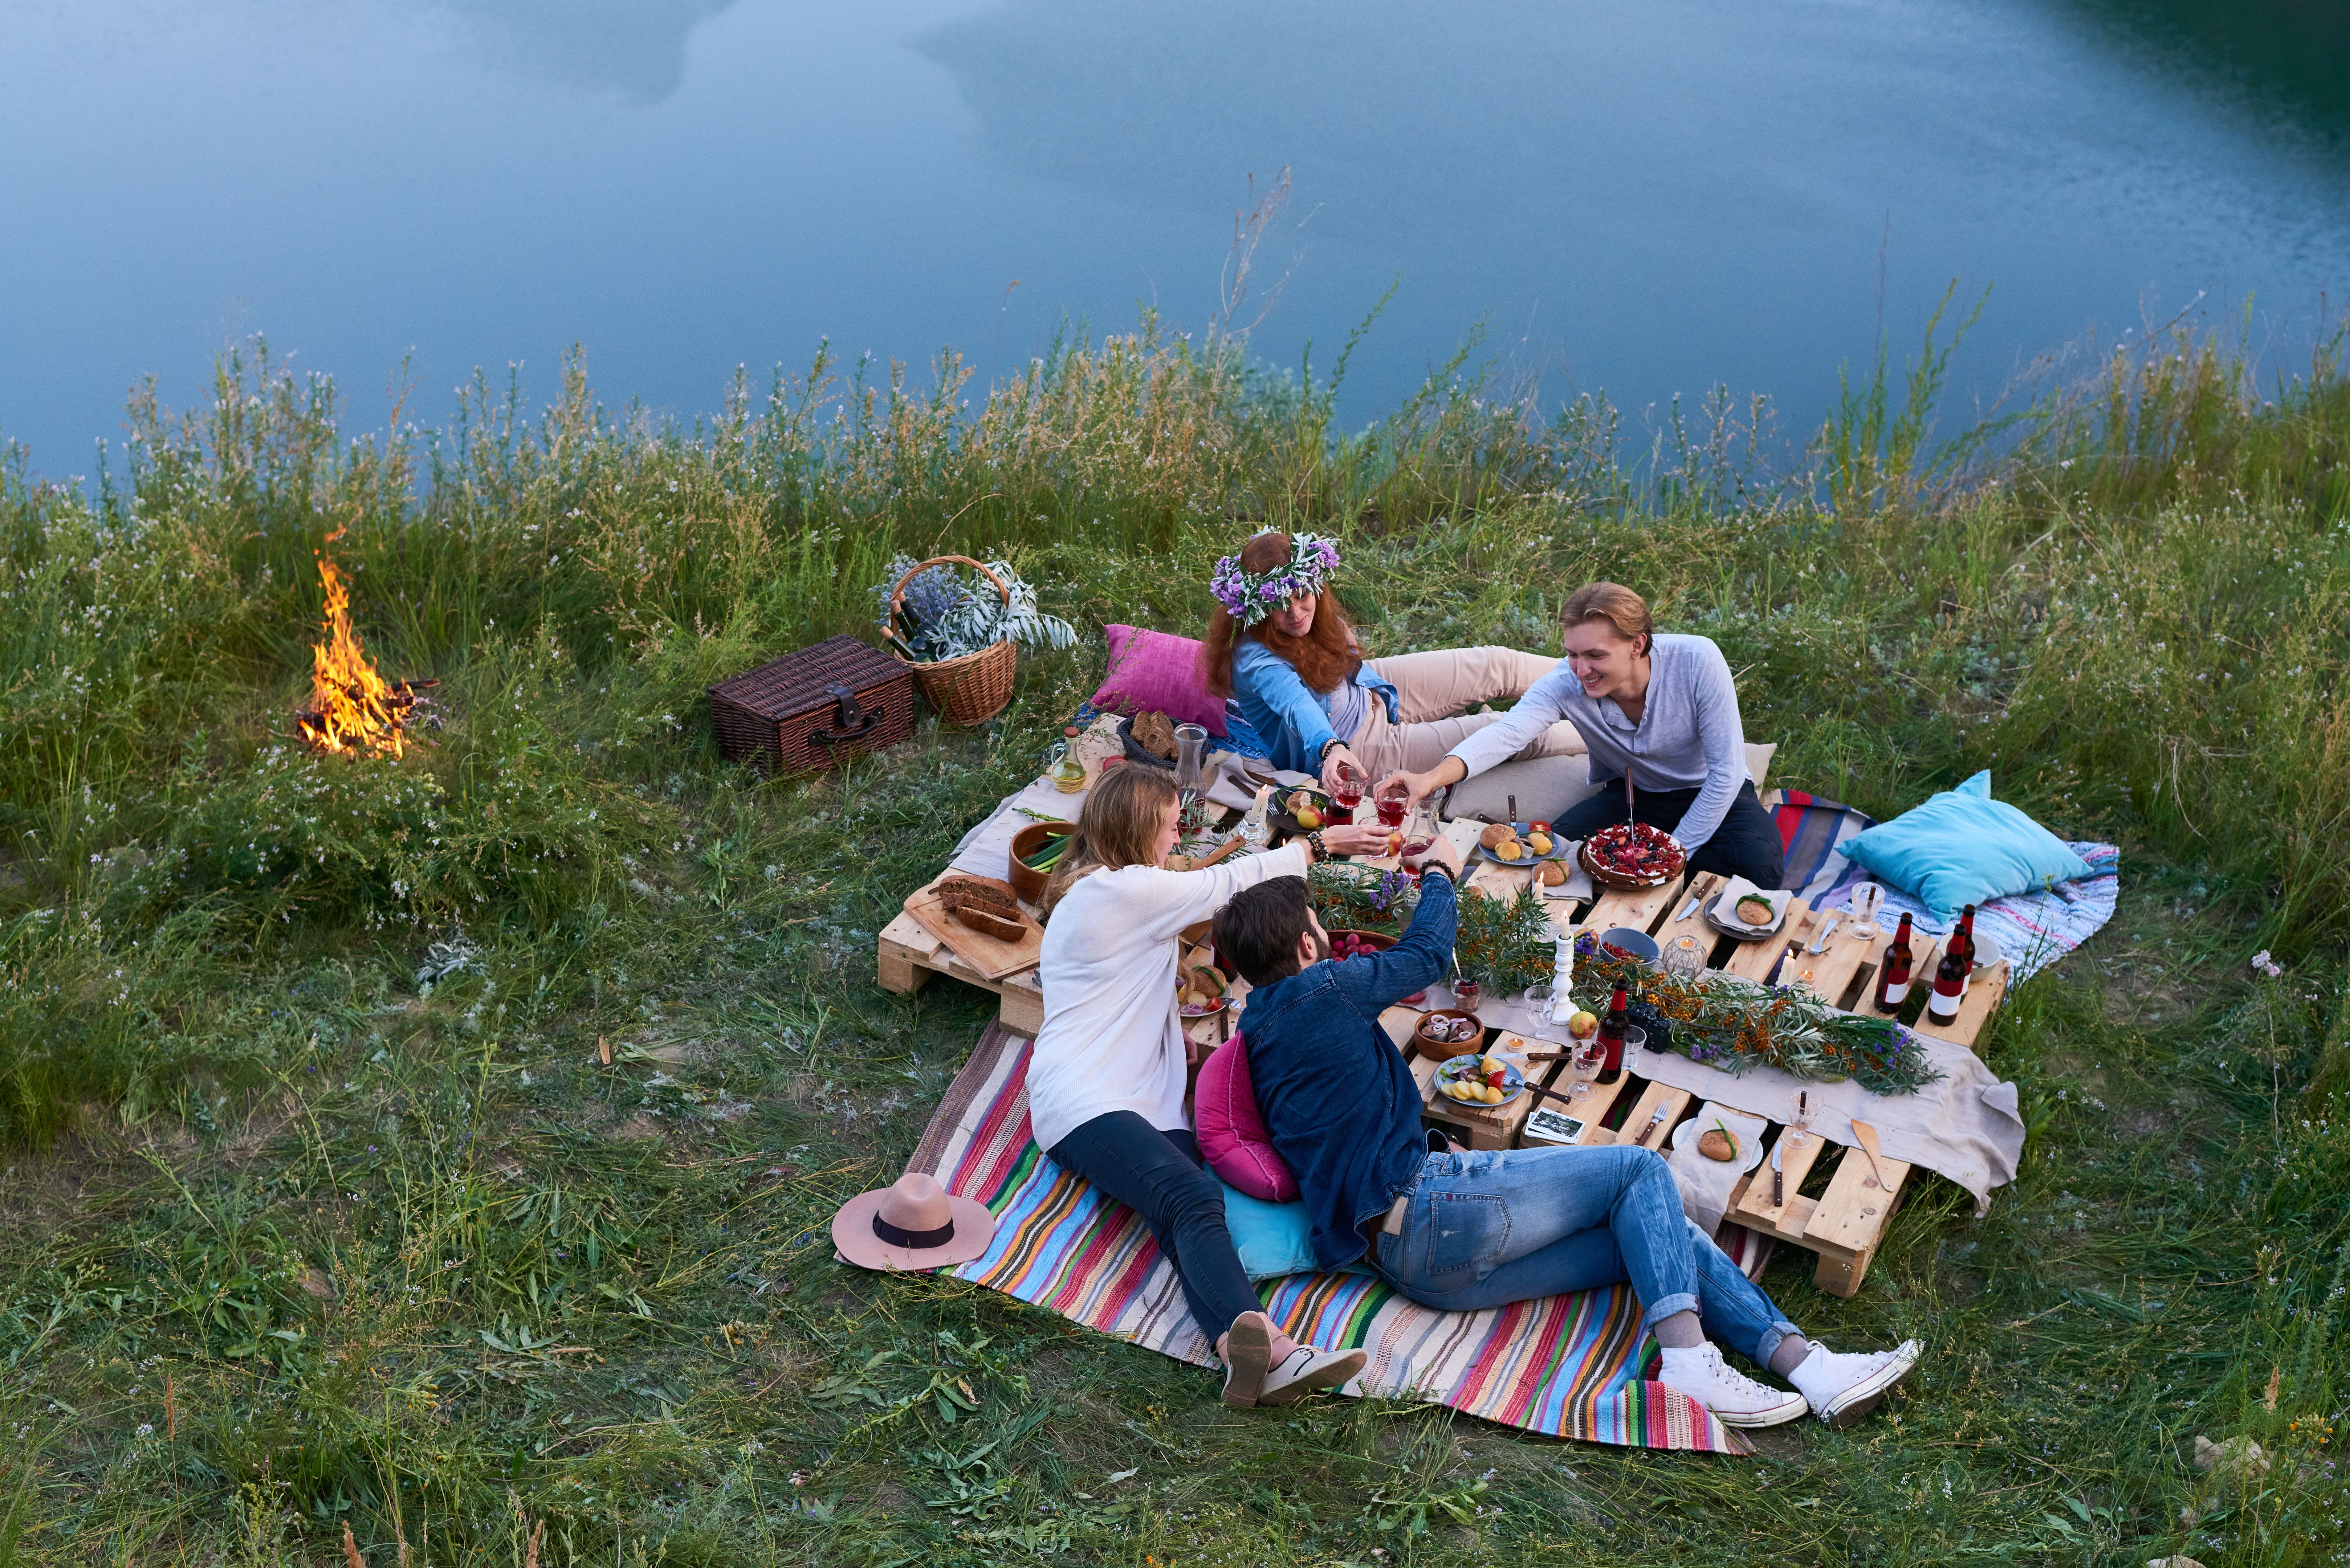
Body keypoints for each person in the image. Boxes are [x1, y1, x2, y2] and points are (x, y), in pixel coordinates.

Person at [1209, 835, 1921, 1429]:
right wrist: (1435, 874)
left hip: (1414, 1269)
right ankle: (1685, 1362)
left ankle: (1808, 1368)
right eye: (1318, 932)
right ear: (1307, 944)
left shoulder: (1260, 1032)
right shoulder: (1322, 988)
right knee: (1640, 1171)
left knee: (1651, 1223)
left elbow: (1339, 1129)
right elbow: (1426, 956)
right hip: (1433, 1211)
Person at [1031, 764, 1389, 1407]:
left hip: (1141, 1095)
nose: (1175, 840)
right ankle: (1277, 1352)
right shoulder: (1116, 891)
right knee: (1190, 1195)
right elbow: (1231, 883)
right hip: (1082, 1099)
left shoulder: (1110, 892)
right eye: (1170, 827)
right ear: (1139, 829)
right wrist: (1314, 848)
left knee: (1188, 1214)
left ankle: (1242, 1355)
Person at [1377, 580, 1786, 888]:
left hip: (1714, 793)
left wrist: (1670, 853)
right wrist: (1428, 778)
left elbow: (1727, 774)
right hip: (1634, 796)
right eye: (1572, 654)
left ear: (1637, 645)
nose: (1580, 669)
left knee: (1759, 871)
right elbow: (1508, 734)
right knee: (1555, 858)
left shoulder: (1697, 661)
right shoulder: (1566, 681)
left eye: (1595, 656)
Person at [1200, 530, 1584, 797]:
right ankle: (1611, 734)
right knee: (1501, 729)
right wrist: (1331, 748)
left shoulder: (1315, 620)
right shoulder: (1255, 658)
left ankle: (1591, 675)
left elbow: (1343, 662)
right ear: (1254, 608)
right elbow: (1296, 705)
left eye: (1302, 595)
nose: (1295, 612)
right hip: (1358, 748)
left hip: (1368, 687)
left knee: (1495, 664)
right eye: (1278, 605)